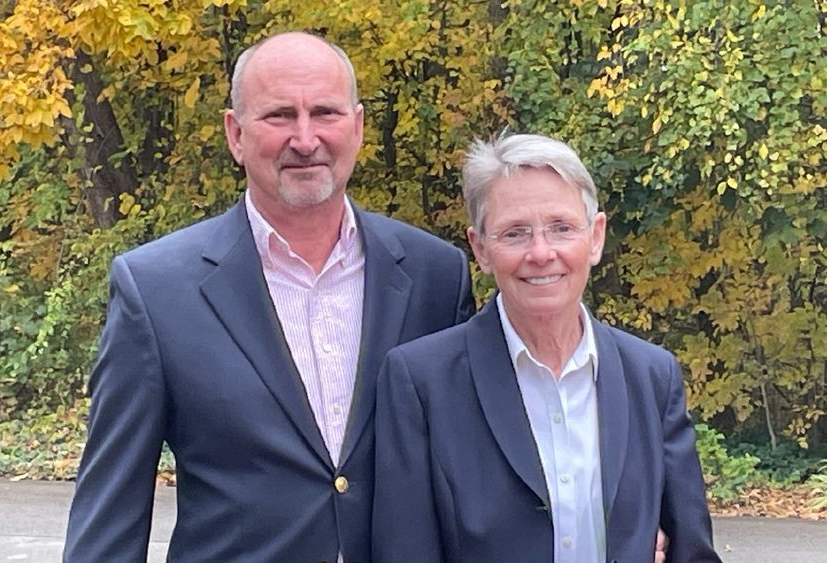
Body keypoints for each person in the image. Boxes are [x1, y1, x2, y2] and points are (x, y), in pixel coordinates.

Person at [64, 32, 474, 562]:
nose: (305, 140)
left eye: (324, 112)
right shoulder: (157, 291)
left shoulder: (435, 276)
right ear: (235, 134)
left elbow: (469, 480)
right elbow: (110, 512)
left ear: (358, 126)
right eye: (279, 116)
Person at [372, 133, 721, 562]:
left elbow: (692, 552)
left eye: (561, 228)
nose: (541, 253)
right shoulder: (421, 382)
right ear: (480, 249)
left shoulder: (651, 377)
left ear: (595, 238)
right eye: (514, 233)